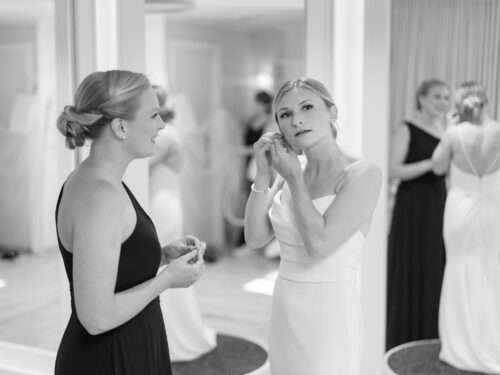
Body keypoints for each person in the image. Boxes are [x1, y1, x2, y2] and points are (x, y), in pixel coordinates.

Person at [54, 70, 205, 375]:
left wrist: (160, 254)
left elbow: (111, 264)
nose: (162, 124)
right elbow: (96, 317)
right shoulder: (100, 195)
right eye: (152, 115)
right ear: (121, 126)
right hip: (110, 359)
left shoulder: (102, 182)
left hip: (127, 348)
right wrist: (167, 279)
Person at [244, 78, 382, 375]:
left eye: (307, 107)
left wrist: (294, 178)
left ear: (332, 112)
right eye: (285, 114)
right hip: (285, 304)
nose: (297, 120)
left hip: (329, 311)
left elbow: (319, 245)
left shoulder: (362, 174)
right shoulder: (288, 172)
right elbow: (255, 238)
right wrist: (264, 174)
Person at [432, 81, 500, 373]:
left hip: (460, 210)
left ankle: (461, 345)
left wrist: (449, 127)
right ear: (486, 103)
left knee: (460, 269)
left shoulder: (453, 133)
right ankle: (490, 342)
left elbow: (437, 167)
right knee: (491, 270)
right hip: (494, 210)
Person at [149, 85, 216, 361]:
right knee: (156, 267)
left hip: (160, 205)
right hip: (162, 201)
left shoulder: (164, 135)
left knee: (158, 266)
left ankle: (172, 337)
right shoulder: (167, 131)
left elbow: (136, 167)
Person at [386, 79, 450, 350]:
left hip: (438, 204)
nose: (443, 102)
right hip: (412, 206)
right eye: (437, 96)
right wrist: (429, 164)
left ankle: (431, 336)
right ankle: (405, 337)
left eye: (447, 98)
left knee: (434, 267)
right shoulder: (407, 128)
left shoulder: (448, 130)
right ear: (421, 99)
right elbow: (393, 170)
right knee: (412, 264)